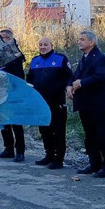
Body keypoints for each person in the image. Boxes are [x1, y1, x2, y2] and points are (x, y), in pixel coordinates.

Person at [67, 30, 105, 178]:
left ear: (92, 42)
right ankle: (94, 163)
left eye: (82, 39)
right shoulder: (84, 57)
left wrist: (81, 83)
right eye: (79, 39)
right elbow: (76, 75)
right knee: (89, 136)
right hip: (85, 104)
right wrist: (69, 86)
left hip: (98, 105)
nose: (79, 42)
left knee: (103, 136)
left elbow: (101, 76)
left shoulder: (101, 58)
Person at [26, 37, 73, 169]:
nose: (43, 47)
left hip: (57, 102)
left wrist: (68, 88)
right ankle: (49, 155)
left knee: (58, 131)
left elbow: (69, 76)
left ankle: (59, 159)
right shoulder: (35, 61)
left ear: (52, 45)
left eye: (46, 44)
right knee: (44, 130)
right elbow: (29, 79)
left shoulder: (60, 59)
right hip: (40, 103)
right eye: (40, 44)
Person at [0, 29, 27, 162]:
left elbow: (18, 75)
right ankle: (8, 149)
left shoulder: (16, 54)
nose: (2, 40)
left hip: (14, 91)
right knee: (4, 121)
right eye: (0, 38)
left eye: (4, 38)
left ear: (10, 39)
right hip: (1, 92)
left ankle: (20, 151)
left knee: (16, 123)